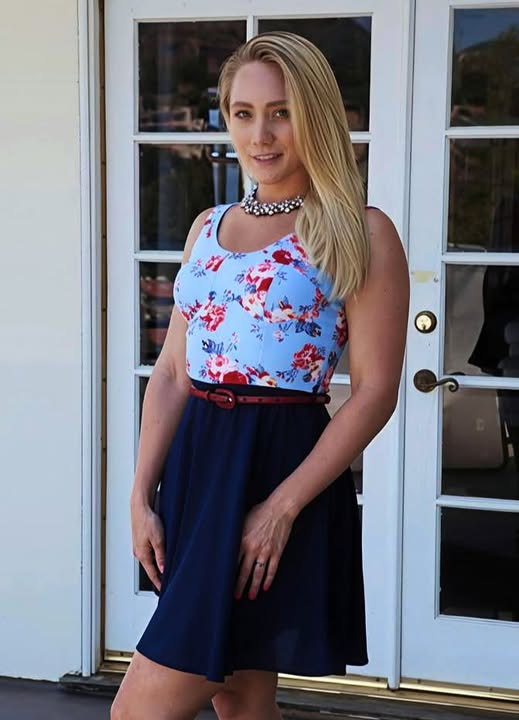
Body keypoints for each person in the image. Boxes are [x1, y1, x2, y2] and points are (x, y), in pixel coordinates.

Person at [111, 31, 409, 720]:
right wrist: (139, 494)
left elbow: (373, 392)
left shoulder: (358, 231)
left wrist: (280, 509)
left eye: (281, 113)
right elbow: (172, 374)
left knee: (137, 711)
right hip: (197, 470)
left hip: (279, 472)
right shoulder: (206, 226)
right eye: (242, 113)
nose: (260, 135)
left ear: (316, 117)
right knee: (242, 701)